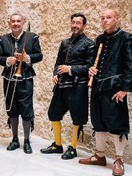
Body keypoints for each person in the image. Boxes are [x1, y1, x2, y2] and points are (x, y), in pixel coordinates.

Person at [79, 9, 132, 176]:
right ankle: (99, 155)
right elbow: (95, 63)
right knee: (98, 121)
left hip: (115, 88)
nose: (105, 20)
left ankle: (118, 159)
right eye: (102, 18)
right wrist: (92, 68)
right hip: (98, 87)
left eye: (108, 17)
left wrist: (125, 89)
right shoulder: (99, 39)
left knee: (117, 123)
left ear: (116, 19)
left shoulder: (125, 38)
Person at [40, 13, 94, 159]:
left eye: (78, 23)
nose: (75, 25)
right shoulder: (64, 43)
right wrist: (55, 74)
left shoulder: (89, 44)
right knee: (53, 113)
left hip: (78, 87)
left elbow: (89, 67)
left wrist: (70, 69)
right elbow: (58, 62)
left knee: (77, 118)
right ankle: (57, 145)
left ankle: (73, 147)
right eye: (73, 22)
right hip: (62, 86)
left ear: (84, 26)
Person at [0, 13, 43, 154]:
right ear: (9, 23)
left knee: (26, 109)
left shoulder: (32, 37)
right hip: (9, 78)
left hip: (25, 78)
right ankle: (15, 139)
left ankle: (27, 140)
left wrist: (27, 58)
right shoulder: (3, 39)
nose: (16, 23)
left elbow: (39, 55)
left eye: (18, 21)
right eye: (13, 21)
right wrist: (7, 61)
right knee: (12, 108)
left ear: (23, 22)